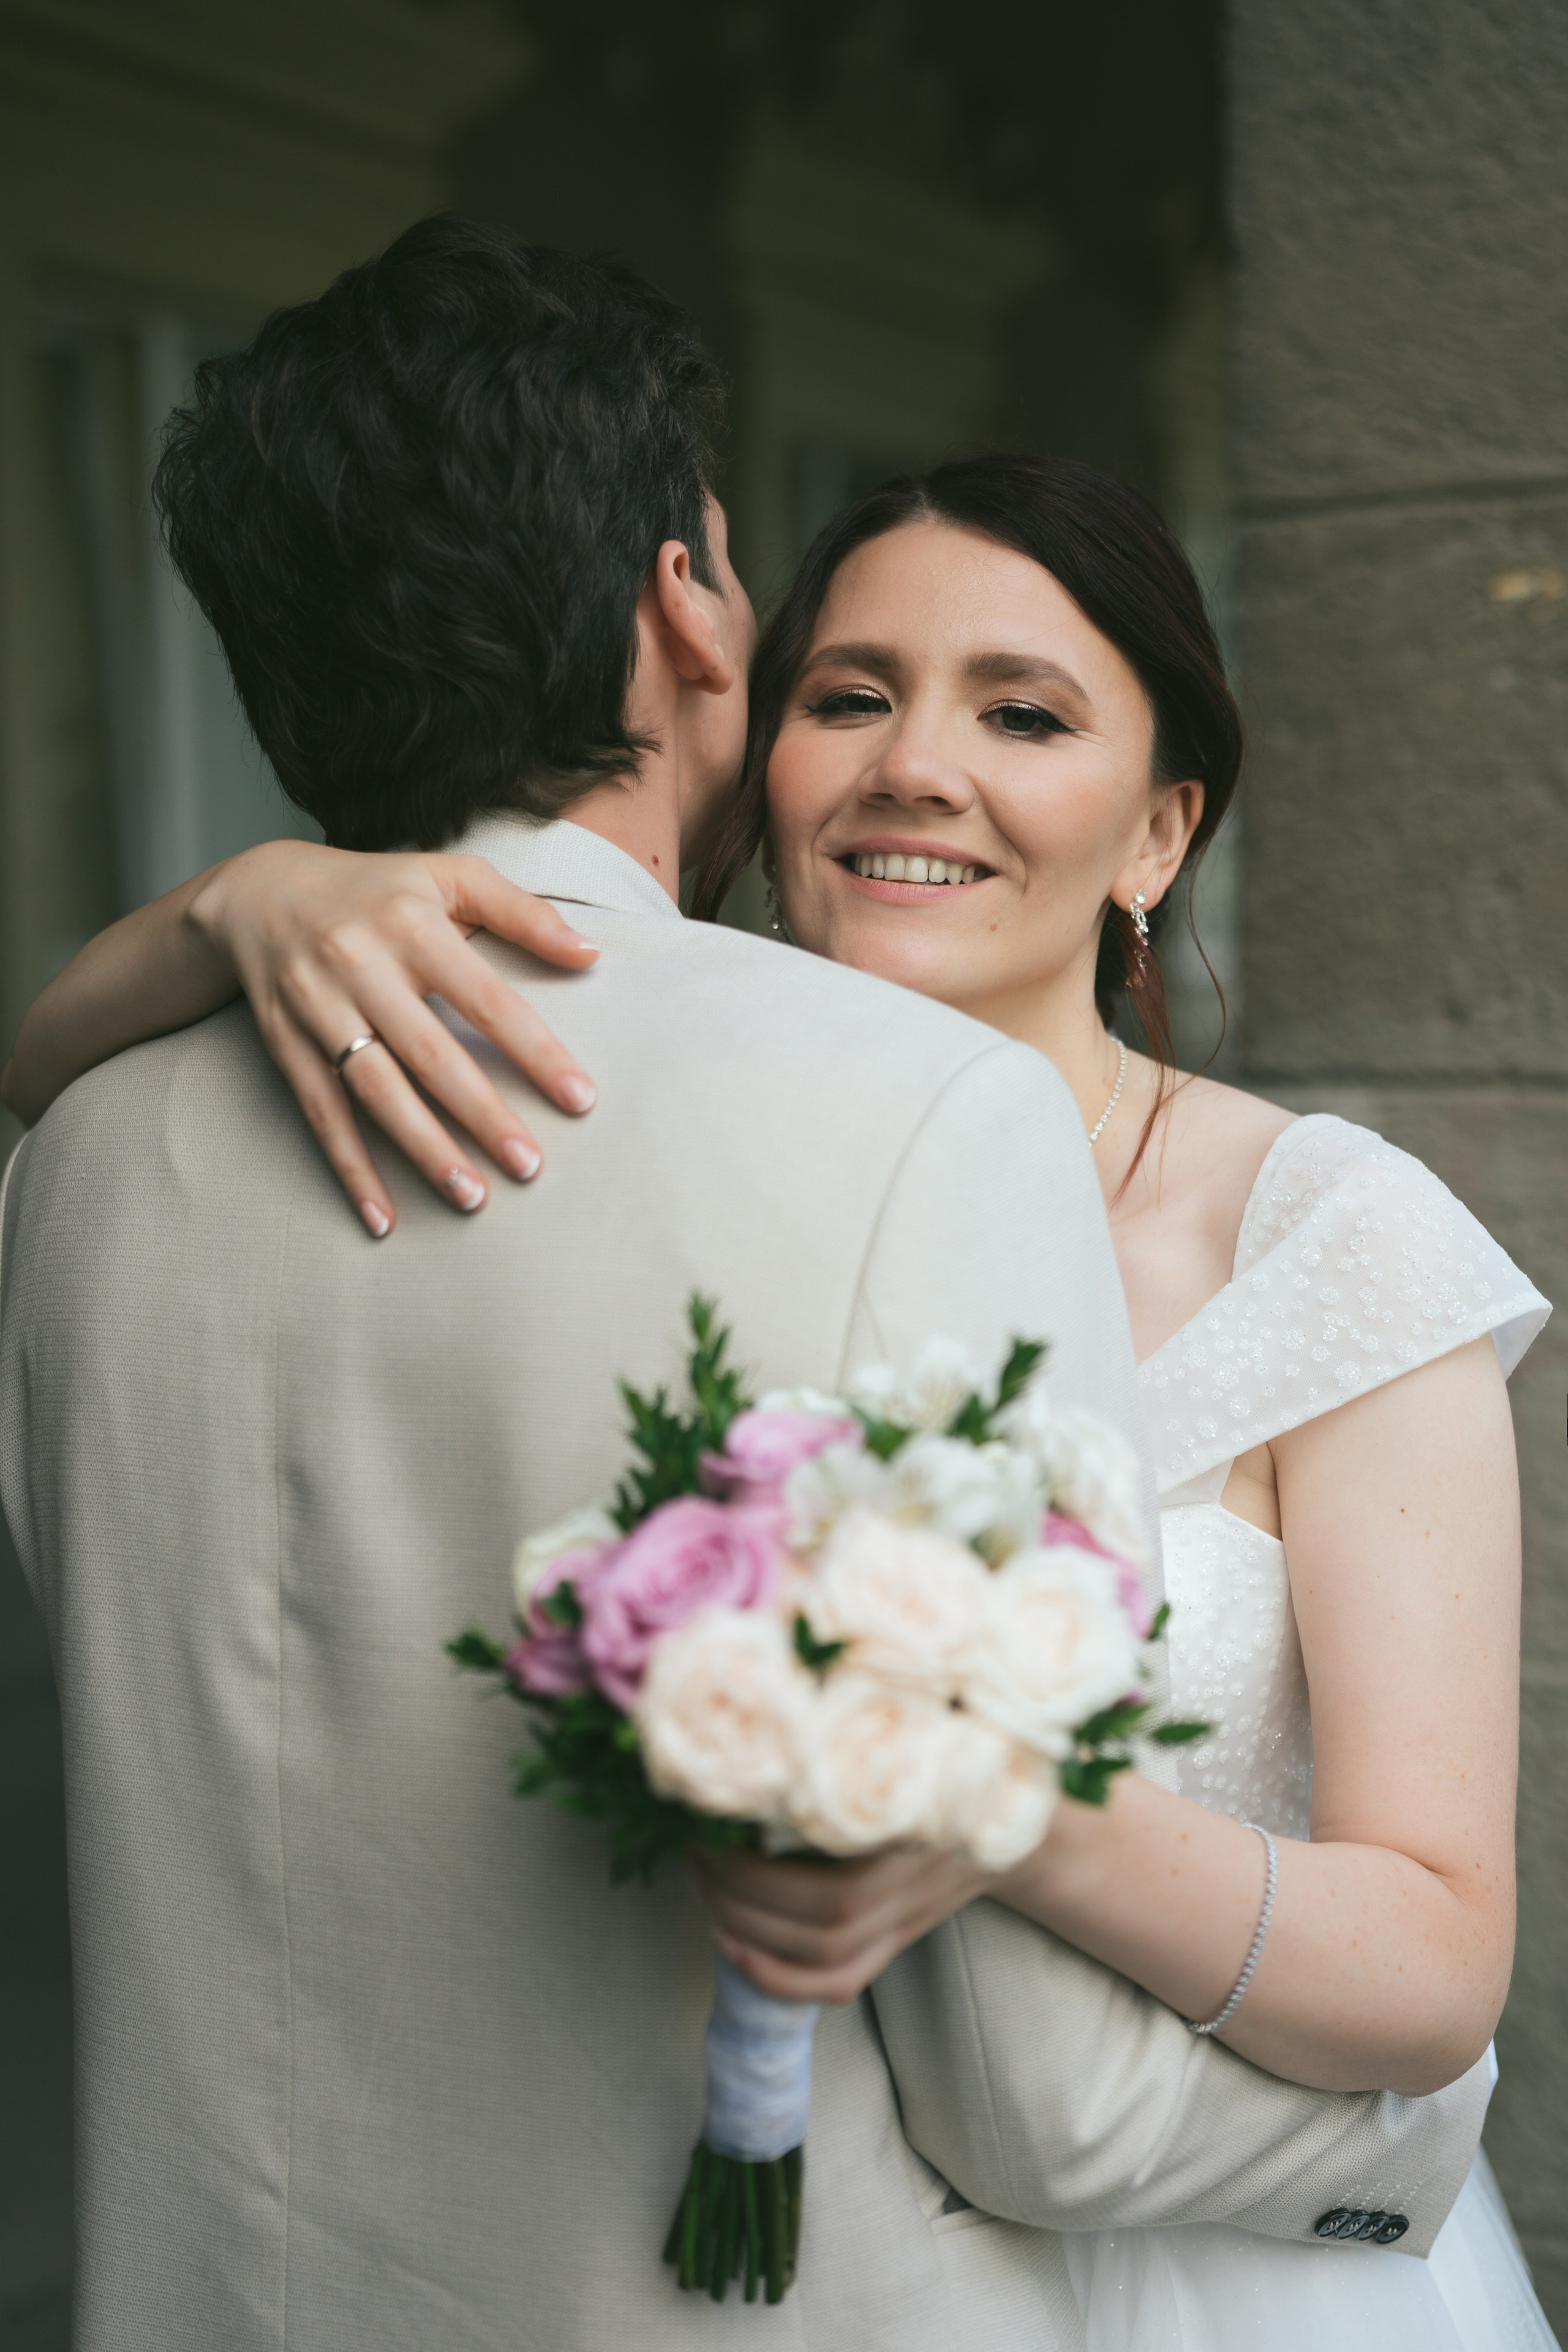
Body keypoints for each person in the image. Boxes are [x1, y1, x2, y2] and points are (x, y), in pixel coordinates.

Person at [0, 222, 1527, 2350]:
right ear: (689, 611)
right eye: (853, 692)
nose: (918, 765)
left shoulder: (76, 1160)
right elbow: (1049, 2120)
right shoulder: (907, 1126)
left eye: (1021, 710)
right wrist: (1410, 2152)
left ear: (1163, 828)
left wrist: (214, 917)